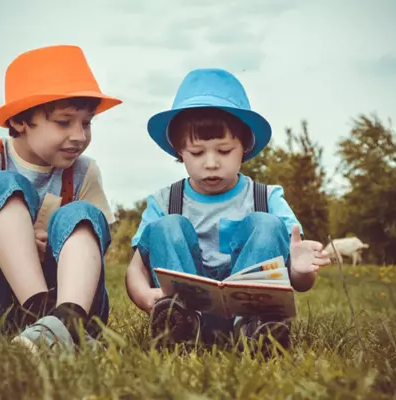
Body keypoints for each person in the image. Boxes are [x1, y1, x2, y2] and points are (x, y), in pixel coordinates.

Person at [125, 68, 330, 352]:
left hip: (251, 315)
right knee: (167, 226)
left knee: (267, 224)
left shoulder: (266, 197)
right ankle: (179, 329)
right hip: (187, 313)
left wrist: (301, 270)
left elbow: (301, 282)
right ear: (179, 150)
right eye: (197, 153)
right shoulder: (164, 201)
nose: (211, 163)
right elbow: (136, 268)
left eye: (224, 151)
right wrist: (146, 296)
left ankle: (257, 331)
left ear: (244, 147)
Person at [0, 44, 122, 351]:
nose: (79, 135)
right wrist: (20, 244)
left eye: (87, 123)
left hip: (69, 297)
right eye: (64, 122)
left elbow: (95, 243)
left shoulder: (85, 171)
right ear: (20, 120)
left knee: (81, 214)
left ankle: (68, 320)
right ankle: (45, 316)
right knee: (4, 184)